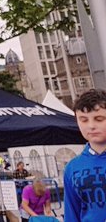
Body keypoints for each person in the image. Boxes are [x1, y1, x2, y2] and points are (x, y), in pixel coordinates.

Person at [64, 89, 106, 222]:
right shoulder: (72, 168)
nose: (91, 126)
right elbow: (71, 214)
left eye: (99, 119)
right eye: (83, 120)